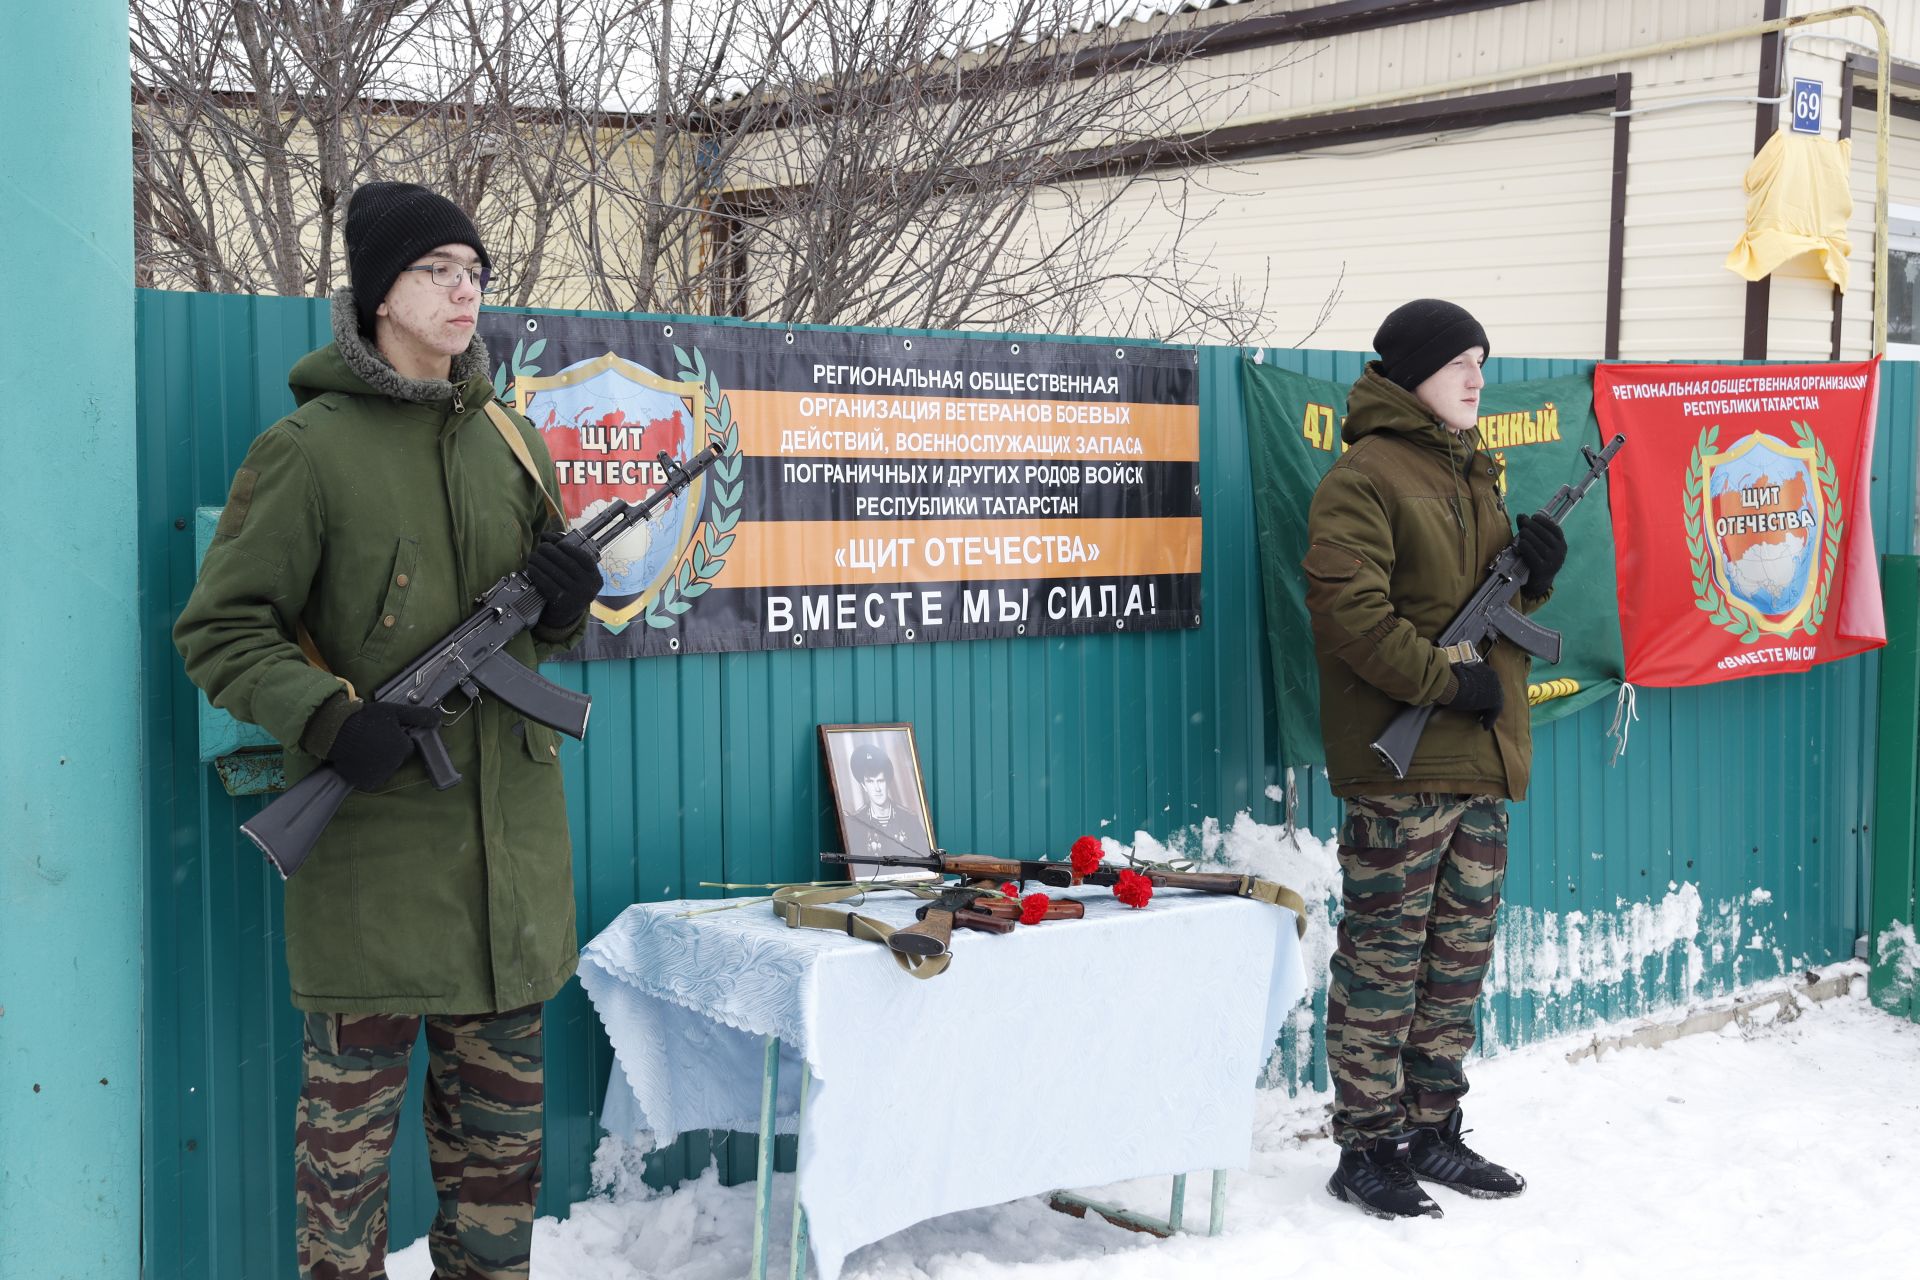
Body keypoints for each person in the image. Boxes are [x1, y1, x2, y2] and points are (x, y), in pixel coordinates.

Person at [173, 182, 604, 1280]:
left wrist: (558, 610)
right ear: (377, 296)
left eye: (475, 272)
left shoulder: (511, 438)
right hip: (373, 869)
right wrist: (327, 715)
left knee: (501, 1191)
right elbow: (221, 630)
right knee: (345, 1195)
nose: (466, 291)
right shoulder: (307, 451)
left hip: (509, 879)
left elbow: (535, 651)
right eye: (437, 271)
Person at [1301, 299, 1566, 1220]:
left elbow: (1479, 600)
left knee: (1457, 960)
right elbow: (1352, 618)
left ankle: (1429, 1129)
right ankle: (1365, 1146)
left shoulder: (1473, 476)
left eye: (1483, 364)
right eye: (1460, 361)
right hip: (1401, 767)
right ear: (1412, 370)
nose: (1477, 379)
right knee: (1383, 962)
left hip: (1480, 765)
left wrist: (1536, 566)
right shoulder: (1362, 480)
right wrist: (1451, 686)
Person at [844, 742, 931, 857]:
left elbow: (924, 860)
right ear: (864, 786)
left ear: (887, 782)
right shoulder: (855, 823)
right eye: (870, 782)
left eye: (880, 781)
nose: (877, 788)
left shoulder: (909, 819)